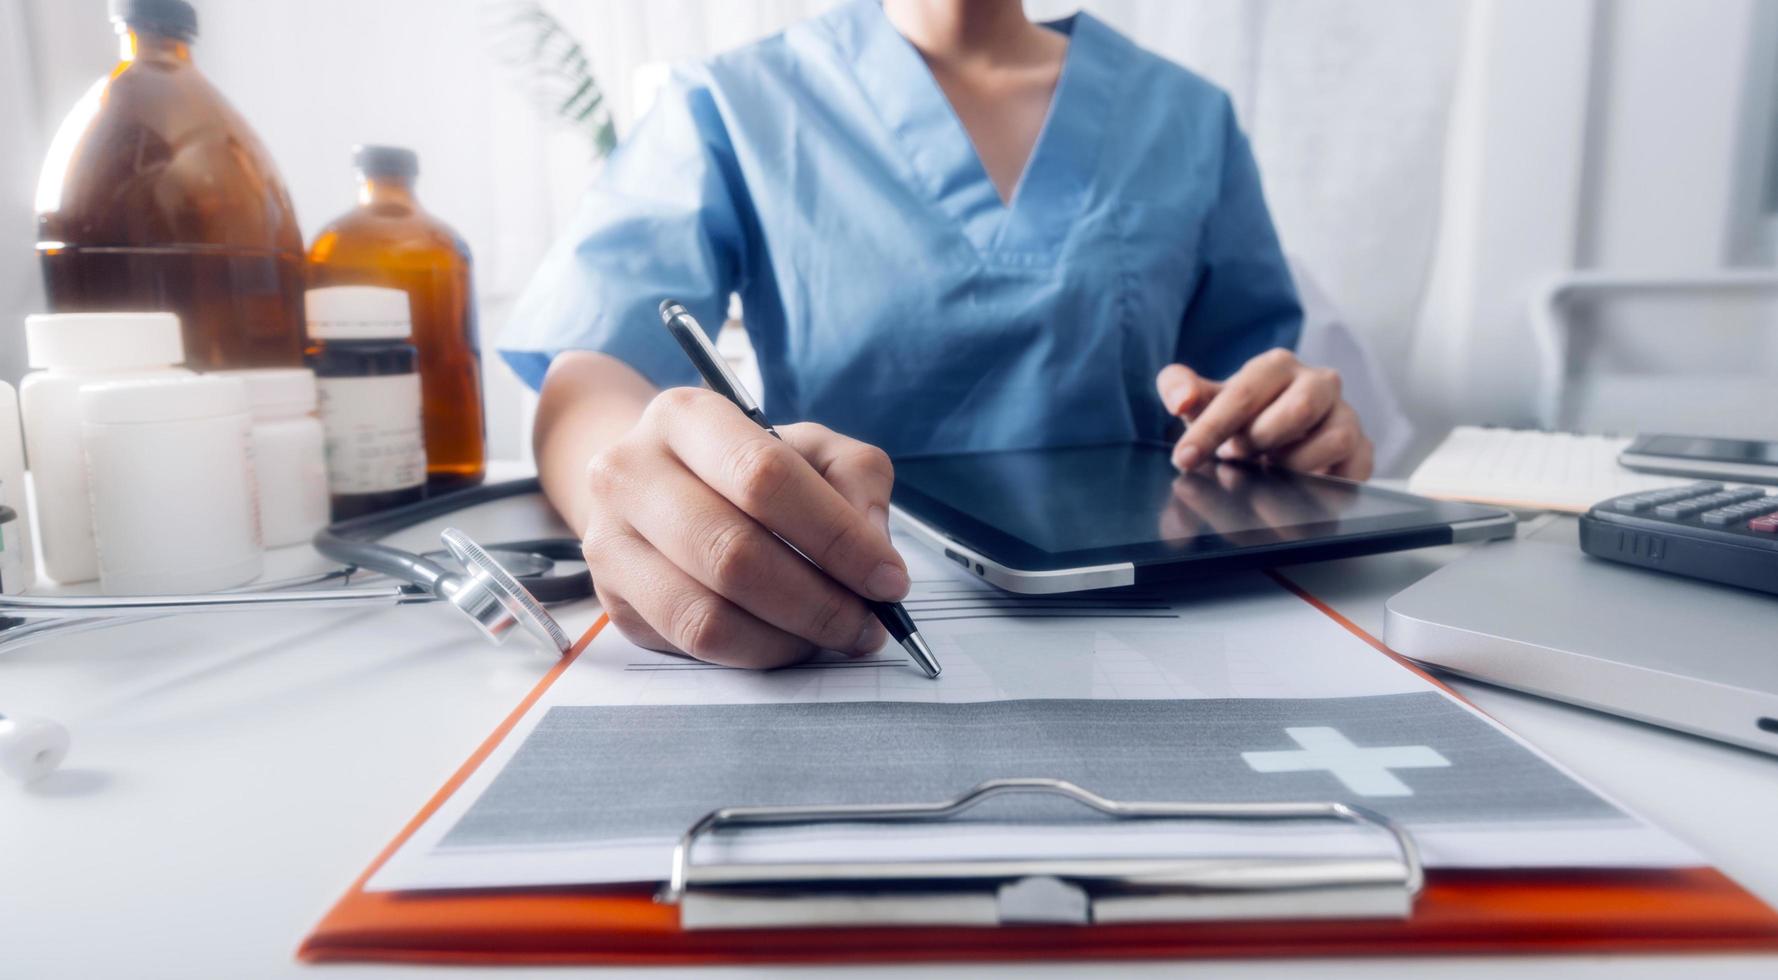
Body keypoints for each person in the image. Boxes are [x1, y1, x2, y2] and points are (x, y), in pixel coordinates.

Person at [501, 0, 1374, 669]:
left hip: (1174, 633)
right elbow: (593, 365)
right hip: (830, 613)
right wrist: (646, 506)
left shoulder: (1188, 119)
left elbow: (1238, 405)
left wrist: (1292, 435)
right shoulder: (734, 105)